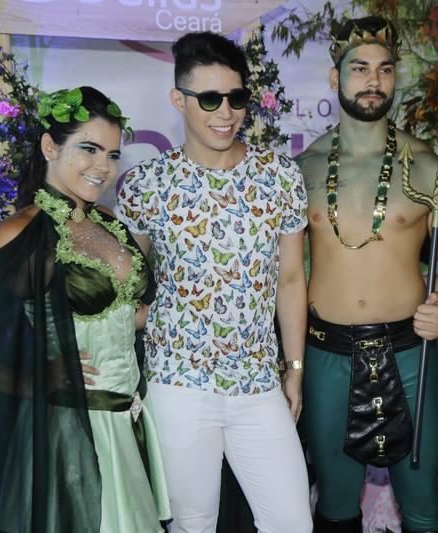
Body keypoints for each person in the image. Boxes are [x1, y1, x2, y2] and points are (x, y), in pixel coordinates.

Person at [0, 86, 171, 532]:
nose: (103, 167)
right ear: (50, 146)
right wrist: (30, 375)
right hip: (70, 434)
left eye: (112, 154)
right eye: (89, 149)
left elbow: (122, 314)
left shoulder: (108, 223)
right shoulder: (25, 230)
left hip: (128, 420)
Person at [114, 32, 312, 533]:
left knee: (292, 523)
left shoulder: (279, 175)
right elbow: (127, 284)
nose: (225, 112)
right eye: (209, 99)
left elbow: (291, 279)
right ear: (178, 99)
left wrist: (293, 369)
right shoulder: (146, 184)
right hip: (177, 384)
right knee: (192, 524)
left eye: (236, 97)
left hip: (258, 382)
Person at [296, 16, 438, 533]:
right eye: (359, 69)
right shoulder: (302, 170)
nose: (373, 80)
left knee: (422, 508)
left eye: (385, 69)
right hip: (326, 355)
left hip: (409, 355)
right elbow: (283, 276)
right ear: (336, 78)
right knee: (334, 506)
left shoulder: (430, 169)